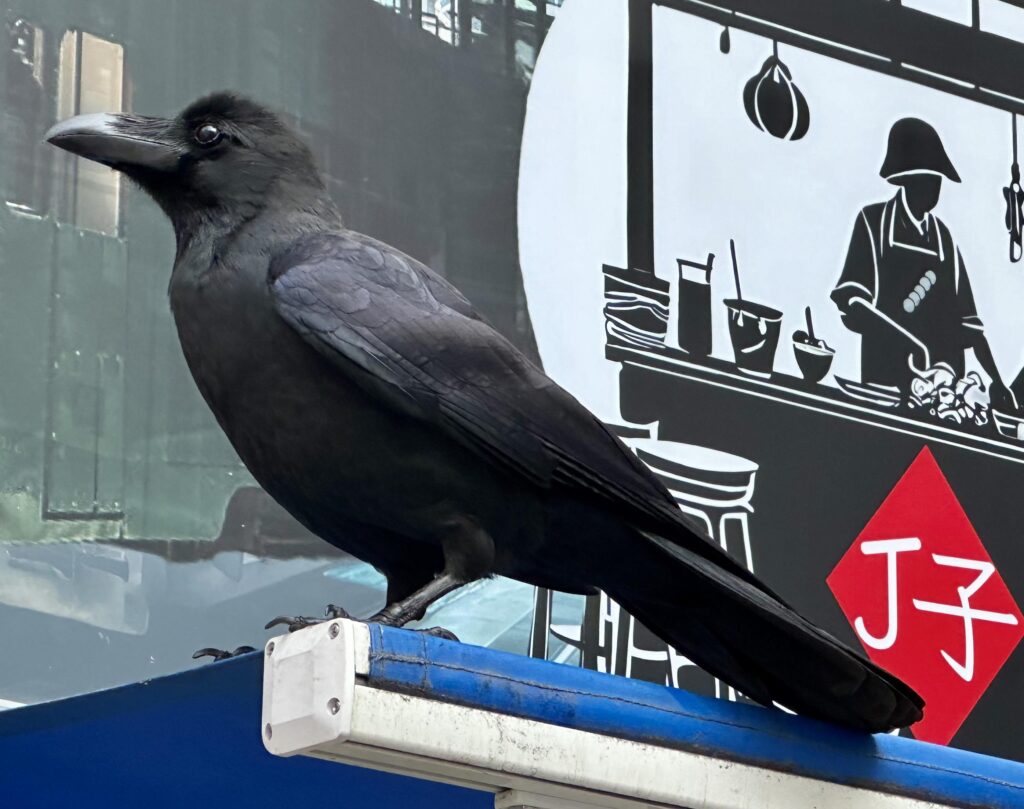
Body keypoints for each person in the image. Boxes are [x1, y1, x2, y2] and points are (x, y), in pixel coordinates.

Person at [831, 118, 1013, 407]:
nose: (935, 188)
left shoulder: (943, 238)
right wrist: (909, 343)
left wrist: (997, 381)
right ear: (907, 180)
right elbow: (853, 302)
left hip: (945, 393)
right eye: (929, 179)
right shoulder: (873, 223)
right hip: (886, 382)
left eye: (938, 180)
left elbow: (971, 326)